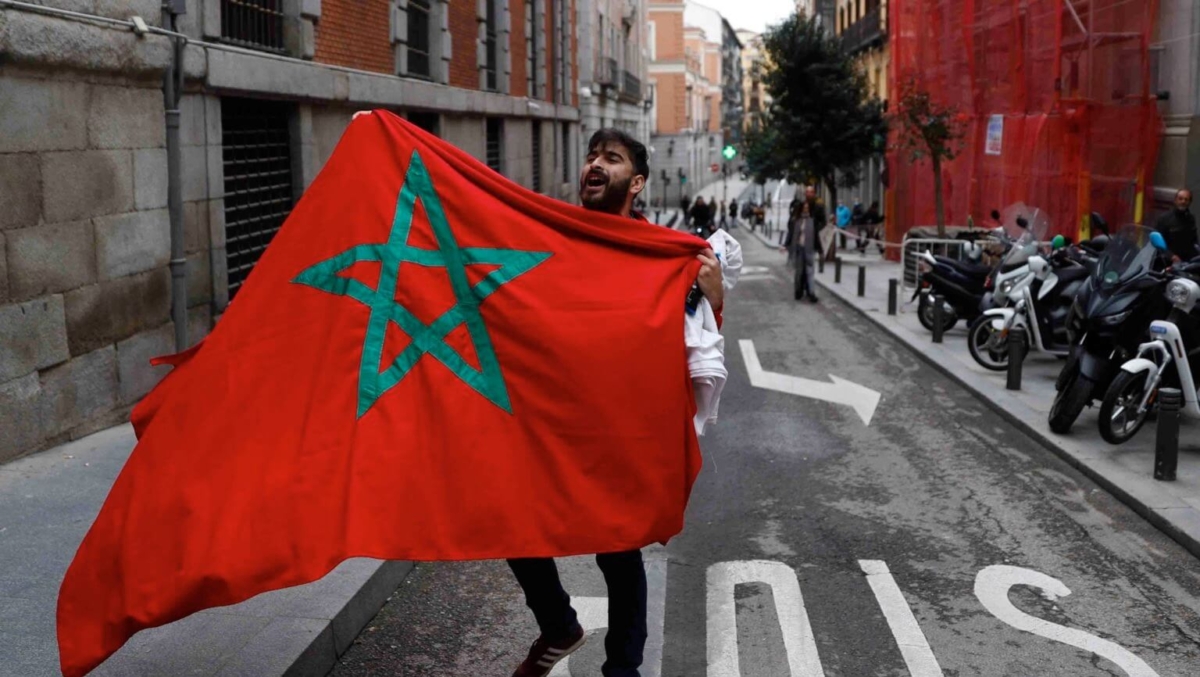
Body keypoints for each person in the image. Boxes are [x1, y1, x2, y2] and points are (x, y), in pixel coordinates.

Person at [508, 128, 724, 677]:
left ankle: (622, 672)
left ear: (638, 182)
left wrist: (714, 296)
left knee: (619, 551)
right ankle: (559, 626)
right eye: (591, 156)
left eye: (612, 157)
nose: (595, 164)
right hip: (555, 421)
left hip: (621, 430)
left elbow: (695, 338)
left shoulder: (663, 254)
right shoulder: (556, 235)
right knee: (511, 518)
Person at [782, 198, 818, 302]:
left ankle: (811, 293)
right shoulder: (796, 221)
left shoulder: (812, 221)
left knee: (810, 272)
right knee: (799, 272)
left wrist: (819, 249)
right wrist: (786, 245)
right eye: (804, 208)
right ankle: (798, 291)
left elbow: (816, 236)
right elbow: (791, 234)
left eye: (807, 208)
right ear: (801, 209)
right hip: (799, 249)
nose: (806, 210)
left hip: (809, 249)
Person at [1155, 188, 1196, 263]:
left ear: (1189, 202)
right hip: (1166, 262)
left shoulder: (1191, 219)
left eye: (1186, 200)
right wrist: (1171, 256)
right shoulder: (1164, 218)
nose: (1183, 202)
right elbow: (1158, 242)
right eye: (1180, 199)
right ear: (1175, 200)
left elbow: (1194, 241)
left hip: (1187, 262)